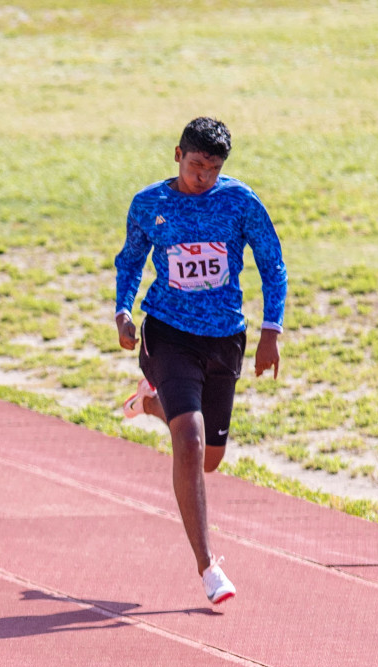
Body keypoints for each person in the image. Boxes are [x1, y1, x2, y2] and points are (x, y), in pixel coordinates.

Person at [115, 117, 286, 606]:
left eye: (212, 169)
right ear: (177, 155)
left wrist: (271, 330)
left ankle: (151, 407)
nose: (202, 177)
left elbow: (272, 264)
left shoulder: (238, 202)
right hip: (167, 331)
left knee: (208, 460)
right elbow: (130, 260)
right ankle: (208, 567)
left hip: (224, 336)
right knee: (188, 440)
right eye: (195, 166)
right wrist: (123, 311)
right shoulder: (150, 204)